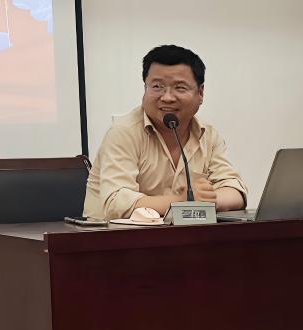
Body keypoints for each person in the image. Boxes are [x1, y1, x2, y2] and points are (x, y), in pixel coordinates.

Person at [83, 44, 247, 221]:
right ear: (145, 88)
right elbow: (115, 204)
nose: (167, 97)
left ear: (200, 93)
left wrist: (209, 200)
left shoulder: (207, 134)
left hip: (178, 235)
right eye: (157, 86)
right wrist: (182, 202)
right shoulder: (124, 132)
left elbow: (235, 191)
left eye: (180, 88)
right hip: (112, 235)